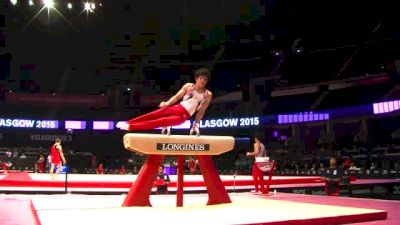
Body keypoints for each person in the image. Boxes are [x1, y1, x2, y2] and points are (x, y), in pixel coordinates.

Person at [117, 67, 212, 135]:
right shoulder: (188, 86)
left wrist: (195, 124)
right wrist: (167, 103)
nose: (203, 81)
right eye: (201, 78)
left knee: (158, 122)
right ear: (196, 79)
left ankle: (131, 127)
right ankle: (128, 123)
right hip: (177, 108)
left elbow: (201, 111)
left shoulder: (207, 94)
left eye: (205, 79)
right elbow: (177, 97)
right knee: (153, 115)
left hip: (183, 116)